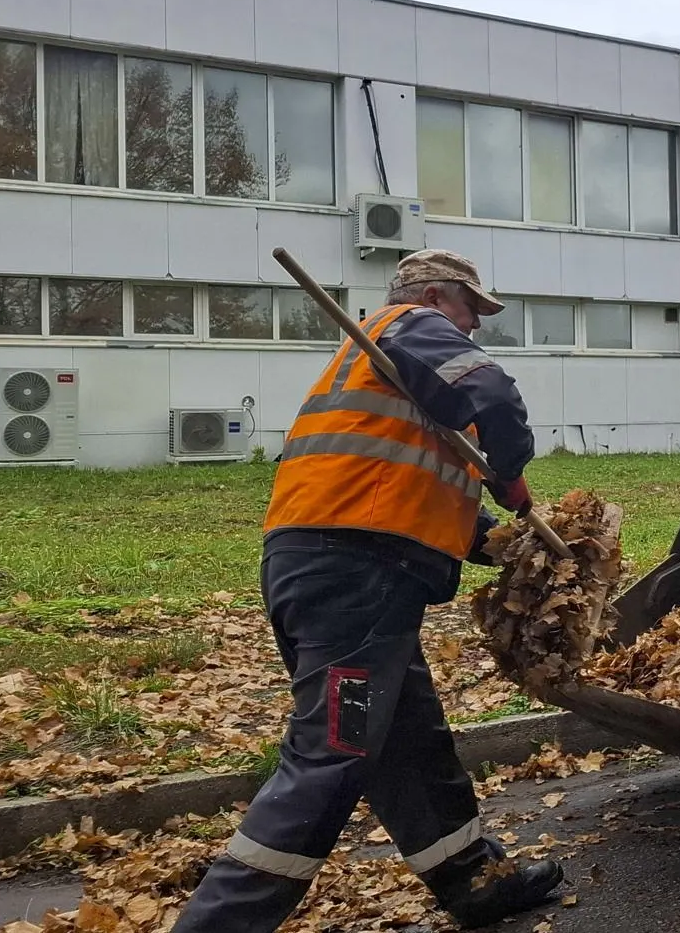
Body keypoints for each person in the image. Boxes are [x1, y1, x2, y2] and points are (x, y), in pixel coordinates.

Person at [172, 249, 563, 931]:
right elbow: (493, 393)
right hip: (355, 572)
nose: (475, 328)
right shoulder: (408, 325)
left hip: (337, 567)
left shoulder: (387, 376)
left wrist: (512, 547)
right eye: (472, 310)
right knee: (332, 756)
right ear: (439, 296)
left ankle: (476, 882)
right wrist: (511, 471)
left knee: (406, 740)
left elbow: (418, 496)